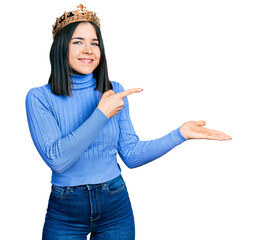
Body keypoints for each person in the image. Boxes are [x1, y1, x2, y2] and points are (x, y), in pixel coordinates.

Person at [25, 4, 231, 240]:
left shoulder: (115, 92)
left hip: (115, 202)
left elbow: (131, 155)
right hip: (66, 209)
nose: (89, 50)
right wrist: (101, 113)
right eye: (78, 41)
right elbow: (58, 160)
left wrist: (180, 134)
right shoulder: (39, 97)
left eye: (95, 43)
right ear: (61, 47)